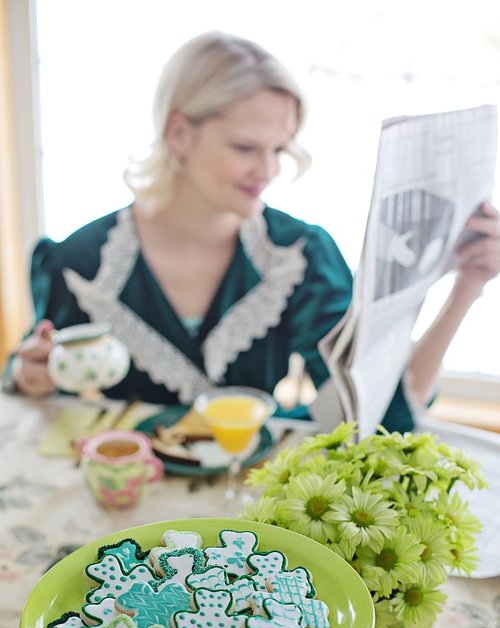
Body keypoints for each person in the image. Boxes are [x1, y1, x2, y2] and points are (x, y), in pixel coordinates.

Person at [3, 31, 500, 432]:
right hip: (125, 508)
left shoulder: (299, 257)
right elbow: (30, 386)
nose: (268, 170)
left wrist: (466, 288)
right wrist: (34, 375)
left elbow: (376, 407)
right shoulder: (83, 264)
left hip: (256, 516)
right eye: (245, 147)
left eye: (279, 149)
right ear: (179, 134)